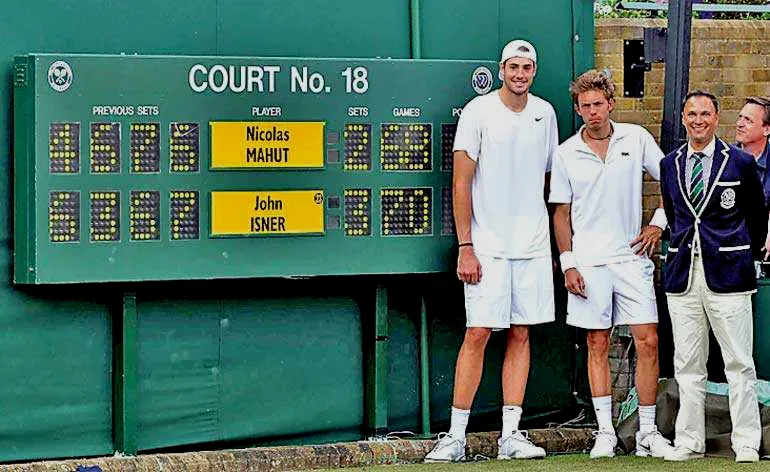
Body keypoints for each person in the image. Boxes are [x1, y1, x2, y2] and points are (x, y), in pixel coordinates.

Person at [424, 39, 558, 462]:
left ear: (534, 72)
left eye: (527, 68)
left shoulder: (545, 114)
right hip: (486, 247)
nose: (520, 74)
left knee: (521, 333)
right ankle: (456, 437)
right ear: (501, 70)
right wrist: (467, 246)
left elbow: (549, 180)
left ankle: (511, 437)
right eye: (513, 67)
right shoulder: (478, 111)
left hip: (533, 246)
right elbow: (461, 182)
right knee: (478, 332)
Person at [549, 69, 673, 459]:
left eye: (598, 105)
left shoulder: (635, 139)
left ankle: (648, 432)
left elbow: (674, 181)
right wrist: (569, 263)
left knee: (648, 340)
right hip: (588, 262)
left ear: (610, 104)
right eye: (585, 107)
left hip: (631, 258)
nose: (592, 113)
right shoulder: (566, 152)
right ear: (578, 109)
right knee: (596, 342)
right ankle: (605, 432)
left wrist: (657, 224)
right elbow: (561, 214)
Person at [659, 90, 765, 463]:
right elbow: (675, 217)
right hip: (684, 274)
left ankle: (747, 443)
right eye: (691, 114)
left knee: (739, 363)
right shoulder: (670, 163)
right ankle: (689, 441)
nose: (698, 120)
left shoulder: (739, 162)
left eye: (705, 113)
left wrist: (739, 253)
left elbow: (756, 216)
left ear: (717, 118)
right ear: (684, 119)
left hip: (730, 274)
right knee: (687, 364)